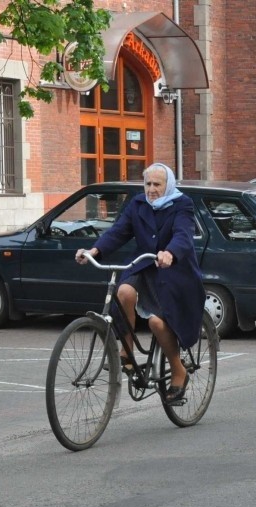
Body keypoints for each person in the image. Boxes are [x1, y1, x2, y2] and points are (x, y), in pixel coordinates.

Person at [75, 163, 205, 404]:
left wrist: (170, 253)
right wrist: (94, 250)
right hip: (144, 264)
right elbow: (118, 232)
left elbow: (183, 235)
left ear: (168, 185)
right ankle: (127, 349)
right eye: (148, 184)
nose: (151, 189)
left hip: (175, 271)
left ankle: (178, 371)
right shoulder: (137, 203)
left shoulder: (182, 204)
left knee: (157, 322)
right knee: (124, 292)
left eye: (157, 184)